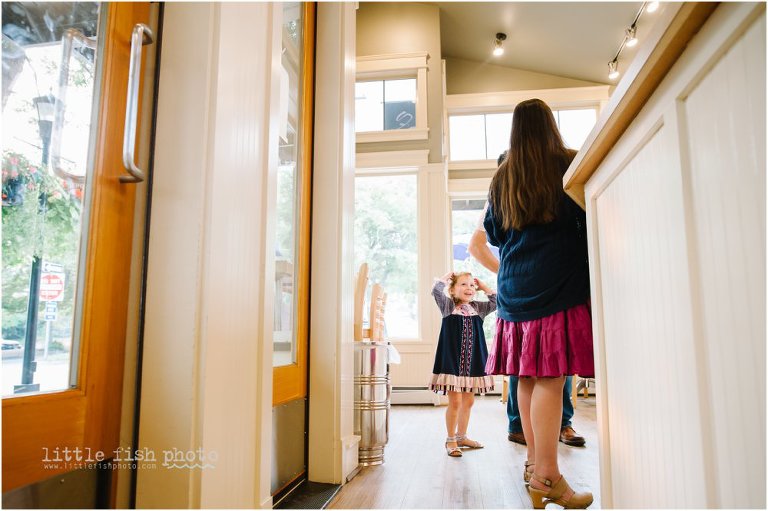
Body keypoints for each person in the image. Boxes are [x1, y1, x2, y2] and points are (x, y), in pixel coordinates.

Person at [483, 98, 594, 509]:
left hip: (513, 287)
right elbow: (586, 215)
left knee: (527, 378)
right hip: (556, 283)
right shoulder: (568, 162)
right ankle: (548, 474)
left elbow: (494, 233)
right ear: (551, 126)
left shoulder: (502, 178)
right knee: (551, 377)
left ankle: (534, 463)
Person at [468, 151, 586, 449]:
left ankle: (561, 426)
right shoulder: (500, 195)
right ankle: (520, 427)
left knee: (554, 361)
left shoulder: (546, 190)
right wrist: (508, 270)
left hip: (550, 285)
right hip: (521, 289)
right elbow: (478, 244)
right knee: (528, 367)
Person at [428, 271, 497, 458]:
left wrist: (484, 287)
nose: (469, 288)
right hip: (452, 361)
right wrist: (444, 279)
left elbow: (497, 302)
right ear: (453, 289)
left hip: (473, 361)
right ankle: (450, 439)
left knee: (469, 400)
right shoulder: (448, 306)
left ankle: (462, 437)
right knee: (455, 401)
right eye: (463, 284)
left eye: (472, 285)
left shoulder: (478, 308)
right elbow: (435, 292)